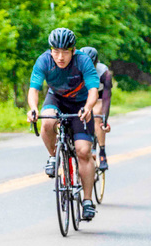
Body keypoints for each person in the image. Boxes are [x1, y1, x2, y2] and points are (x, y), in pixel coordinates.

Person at [27, 28, 100, 220]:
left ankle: (87, 201)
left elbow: (93, 90)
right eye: (56, 51)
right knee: (47, 120)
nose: (60, 57)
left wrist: (88, 107)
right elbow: (34, 89)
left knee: (83, 151)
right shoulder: (44, 60)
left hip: (80, 104)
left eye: (65, 52)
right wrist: (33, 108)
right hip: (56, 99)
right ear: (51, 50)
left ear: (73, 50)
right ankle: (53, 156)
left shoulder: (83, 60)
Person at [80, 46, 112, 170]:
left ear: (96, 63)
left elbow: (106, 98)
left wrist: (104, 119)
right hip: (83, 94)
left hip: (99, 95)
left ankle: (102, 151)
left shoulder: (103, 72)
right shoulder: (75, 69)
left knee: (97, 114)